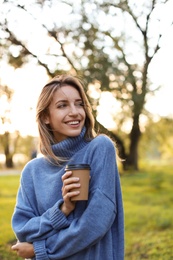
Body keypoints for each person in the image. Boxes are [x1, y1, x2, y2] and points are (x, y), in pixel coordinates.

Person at [11, 74, 124, 260]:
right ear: (46, 116)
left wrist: (41, 249)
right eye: (62, 105)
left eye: (79, 104)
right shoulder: (32, 171)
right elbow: (23, 230)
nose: (75, 112)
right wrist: (63, 210)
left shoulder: (100, 148)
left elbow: (96, 222)